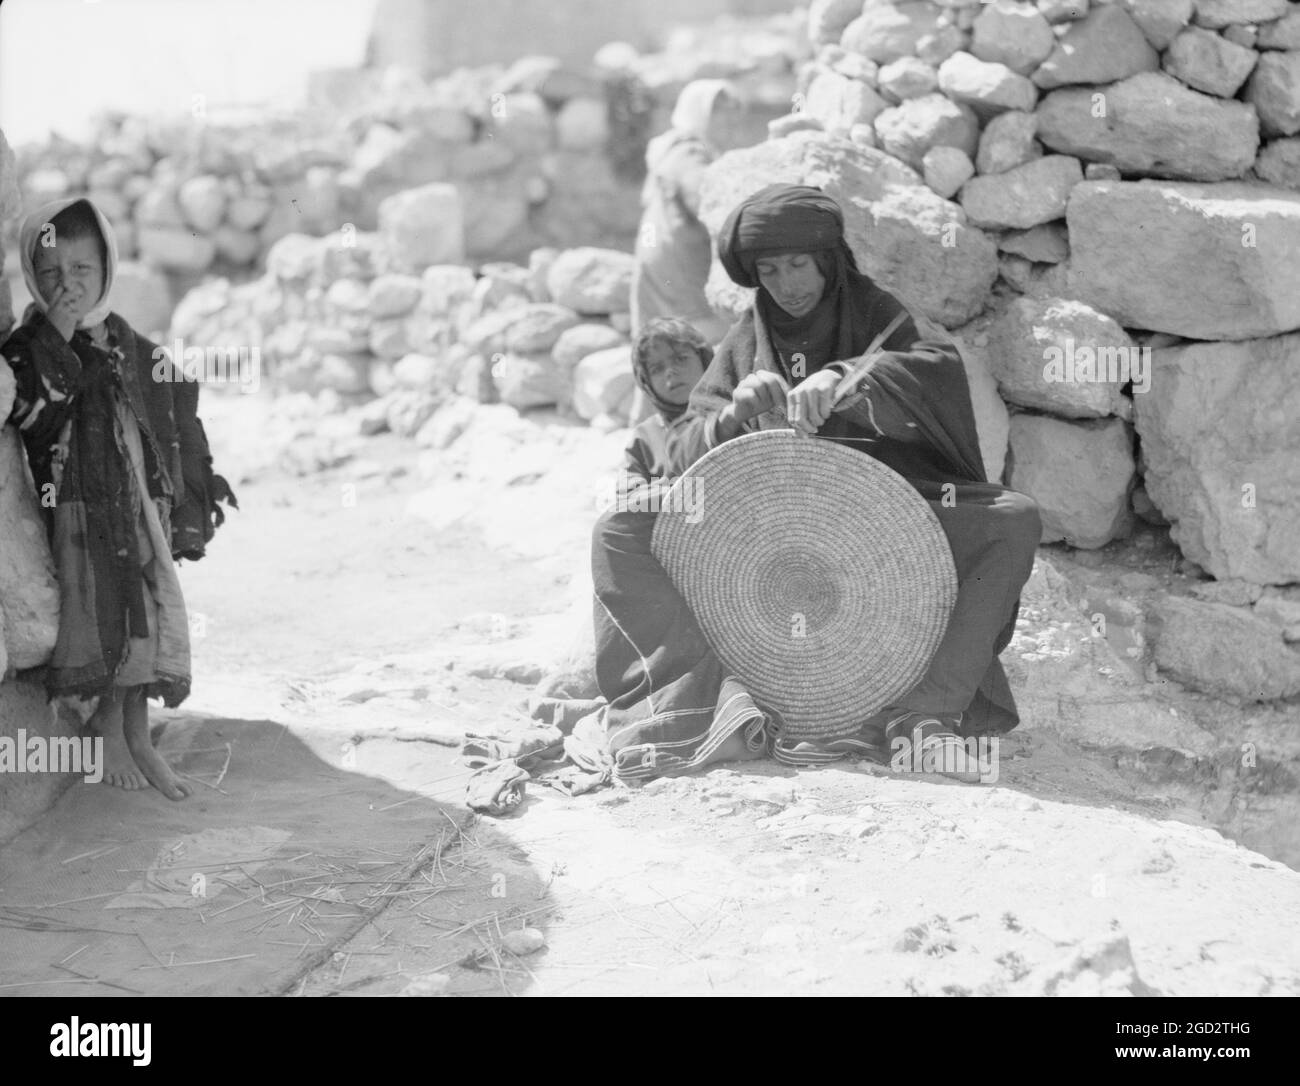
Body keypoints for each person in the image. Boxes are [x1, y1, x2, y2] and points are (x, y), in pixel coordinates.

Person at [591, 182, 1041, 782]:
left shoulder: (881, 314)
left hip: (885, 509)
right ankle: (699, 704)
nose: (786, 283)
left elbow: (936, 374)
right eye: (769, 270)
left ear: (829, 261)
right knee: (620, 527)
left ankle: (923, 716)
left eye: (799, 264)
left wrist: (849, 380)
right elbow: (680, 450)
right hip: (763, 515)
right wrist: (731, 415)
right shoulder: (747, 339)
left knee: (1011, 519)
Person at [3, 197, 232, 799]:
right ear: (32, 278)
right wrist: (53, 328)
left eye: (81, 270)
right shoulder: (33, 345)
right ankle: (106, 727)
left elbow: (173, 404)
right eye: (51, 274)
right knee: (108, 611)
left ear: (107, 267)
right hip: (81, 511)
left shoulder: (128, 342)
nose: (68, 286)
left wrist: (182, 499)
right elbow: (30, 408)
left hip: (140, 508)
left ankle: (136, 729)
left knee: (147, 615)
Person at [630, 79, 743, 351]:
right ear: (698, 112)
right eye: (718, 110)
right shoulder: (688, 151)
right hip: (677, 270)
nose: (728, 119)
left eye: (732, 110)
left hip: (664, 264)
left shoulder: (678, 149)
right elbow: (706, 200)